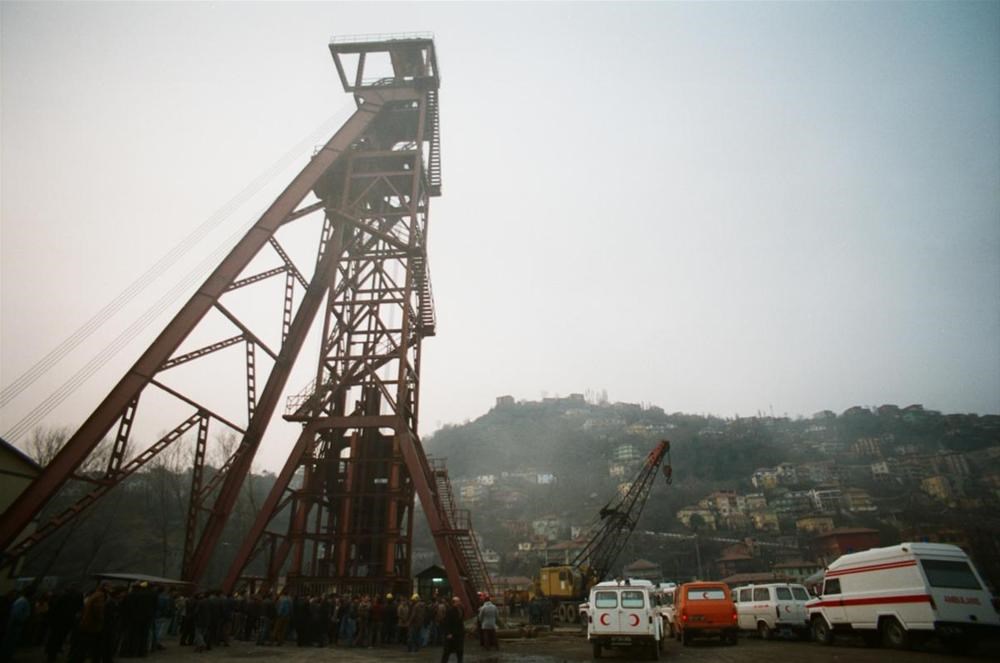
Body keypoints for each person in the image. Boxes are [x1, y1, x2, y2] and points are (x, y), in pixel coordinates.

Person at [440, 596, 465, 663]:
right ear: (454, 602)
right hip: (452, 634)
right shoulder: (450, 611)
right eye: (458, 601)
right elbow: (447, 622)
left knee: (460, 650)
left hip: (458, 633)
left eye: (459, 601)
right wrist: (448, 633)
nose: (459, 602)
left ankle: (460, 661)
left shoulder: (460, 610)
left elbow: (461, 621)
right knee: (447, 651)